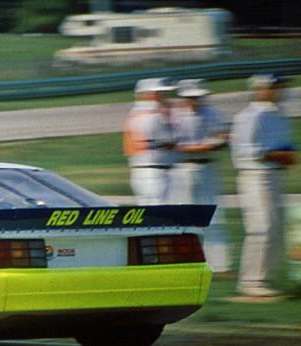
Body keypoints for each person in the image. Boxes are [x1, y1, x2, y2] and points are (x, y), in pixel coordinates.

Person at [230, 73, 297, 299]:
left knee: (276, 229)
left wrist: (288, 155)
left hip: (274, 175)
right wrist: (276, 155)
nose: (280, 91)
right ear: (260, 89)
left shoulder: (279, 115)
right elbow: (244, 150)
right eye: (275, 87)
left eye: (280, 87)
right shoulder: (250, 116)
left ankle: (263, 278)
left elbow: (287, 146)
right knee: (262, 228)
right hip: (255, 176)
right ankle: (250, 281)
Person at [171, 78, 231, 274]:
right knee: (185, 216)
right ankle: (186, 261)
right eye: (191, 97)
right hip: (183, 168)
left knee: (214, 215)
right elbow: (170, 145)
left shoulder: (212, 113)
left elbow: (223, 137)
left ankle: (220, 264)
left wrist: (205, 146)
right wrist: (197, 147)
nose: (195, 100)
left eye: (198, 96)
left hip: (207, 167)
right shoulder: (174, 116)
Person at [124, 77, 177, 205]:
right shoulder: (155, 115)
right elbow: (171, 141)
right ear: (151, 94)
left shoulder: (133, 113)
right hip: (156, 173)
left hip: (139, 170)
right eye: (161, 93)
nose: (164, 97)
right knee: (162, 217)